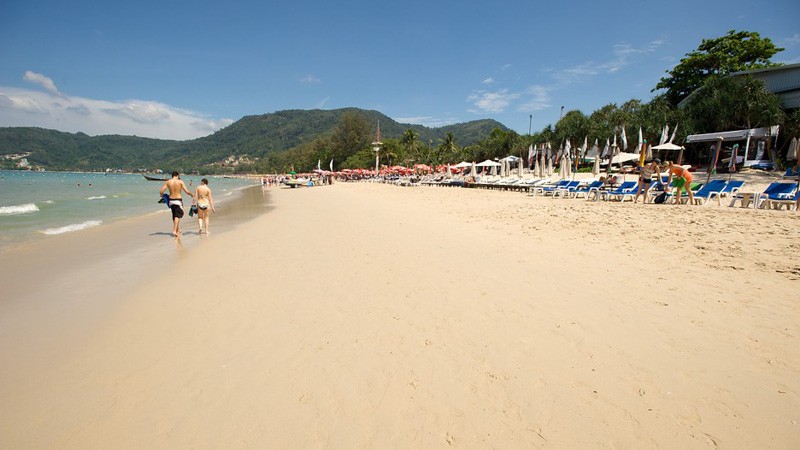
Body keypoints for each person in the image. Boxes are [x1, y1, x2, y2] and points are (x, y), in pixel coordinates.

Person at [160, 171, 194, 237]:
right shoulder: (180, 182)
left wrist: (162, 196)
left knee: (175, 215)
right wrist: (191, 195)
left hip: (171, 200)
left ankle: (177, 230)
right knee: (179, 214)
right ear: (177, 175)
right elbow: (187, 191)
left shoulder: (168, 182)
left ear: (172, 176)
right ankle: (174, 230)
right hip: (178, 200)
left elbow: (161, 191)